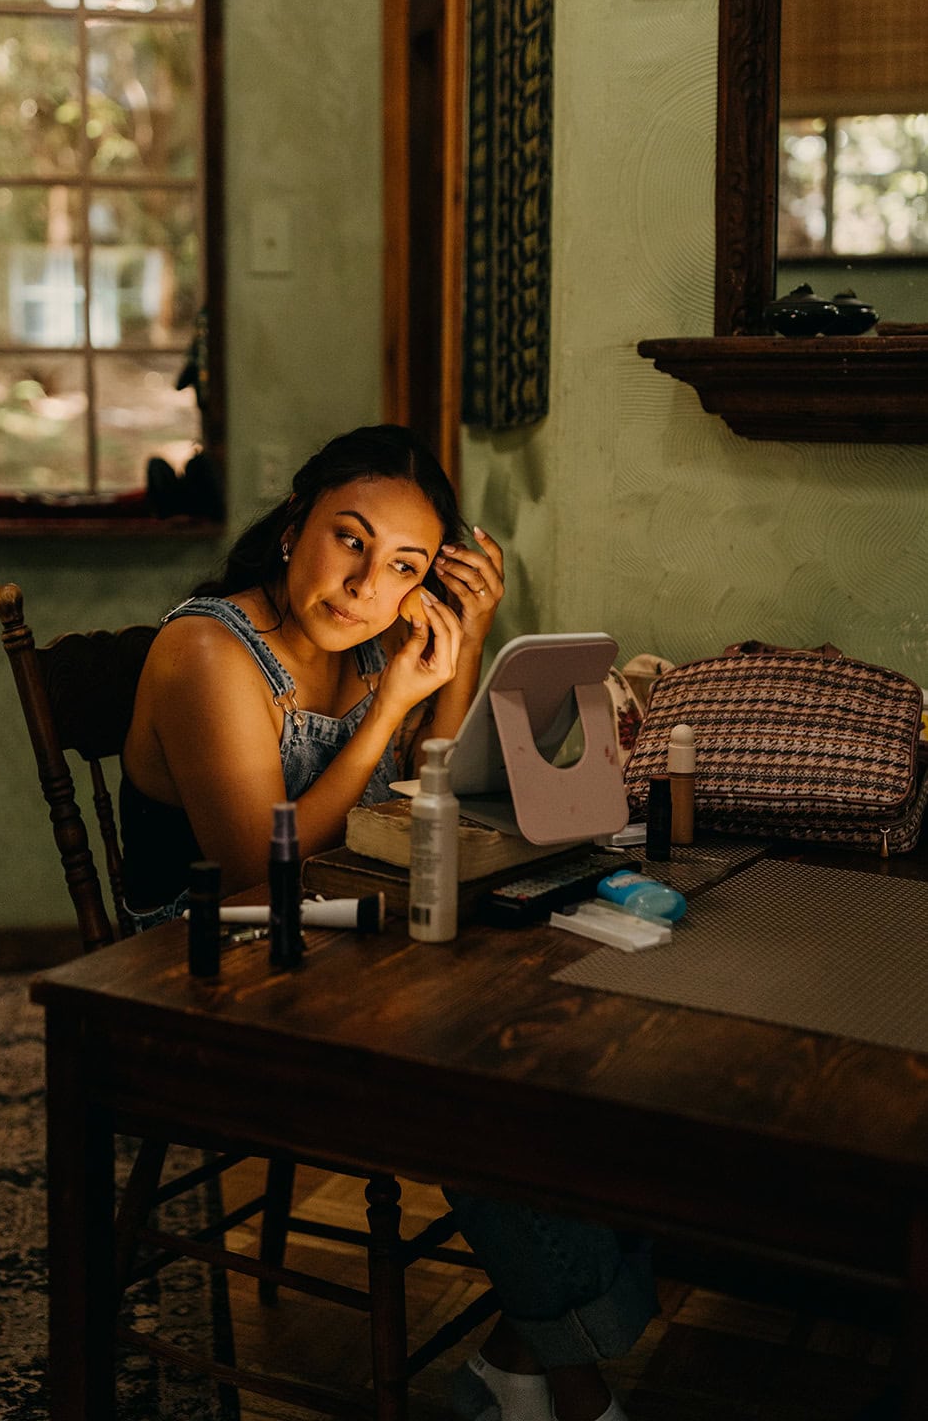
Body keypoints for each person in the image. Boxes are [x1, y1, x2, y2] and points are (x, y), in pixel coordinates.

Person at [120, 424, 653, 1421]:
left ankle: (523, 1358)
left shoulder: (374, 644)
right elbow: (254, 874)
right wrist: (385, 709)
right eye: (348, 539)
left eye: (404, 565)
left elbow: (424, 790)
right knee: (466, 1058)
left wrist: (468, 641)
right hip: (196, 967)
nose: (368, 583)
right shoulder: (207, 649)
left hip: (328, 940)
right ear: (293, 527)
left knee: (581, 1026)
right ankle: (566, 1381)